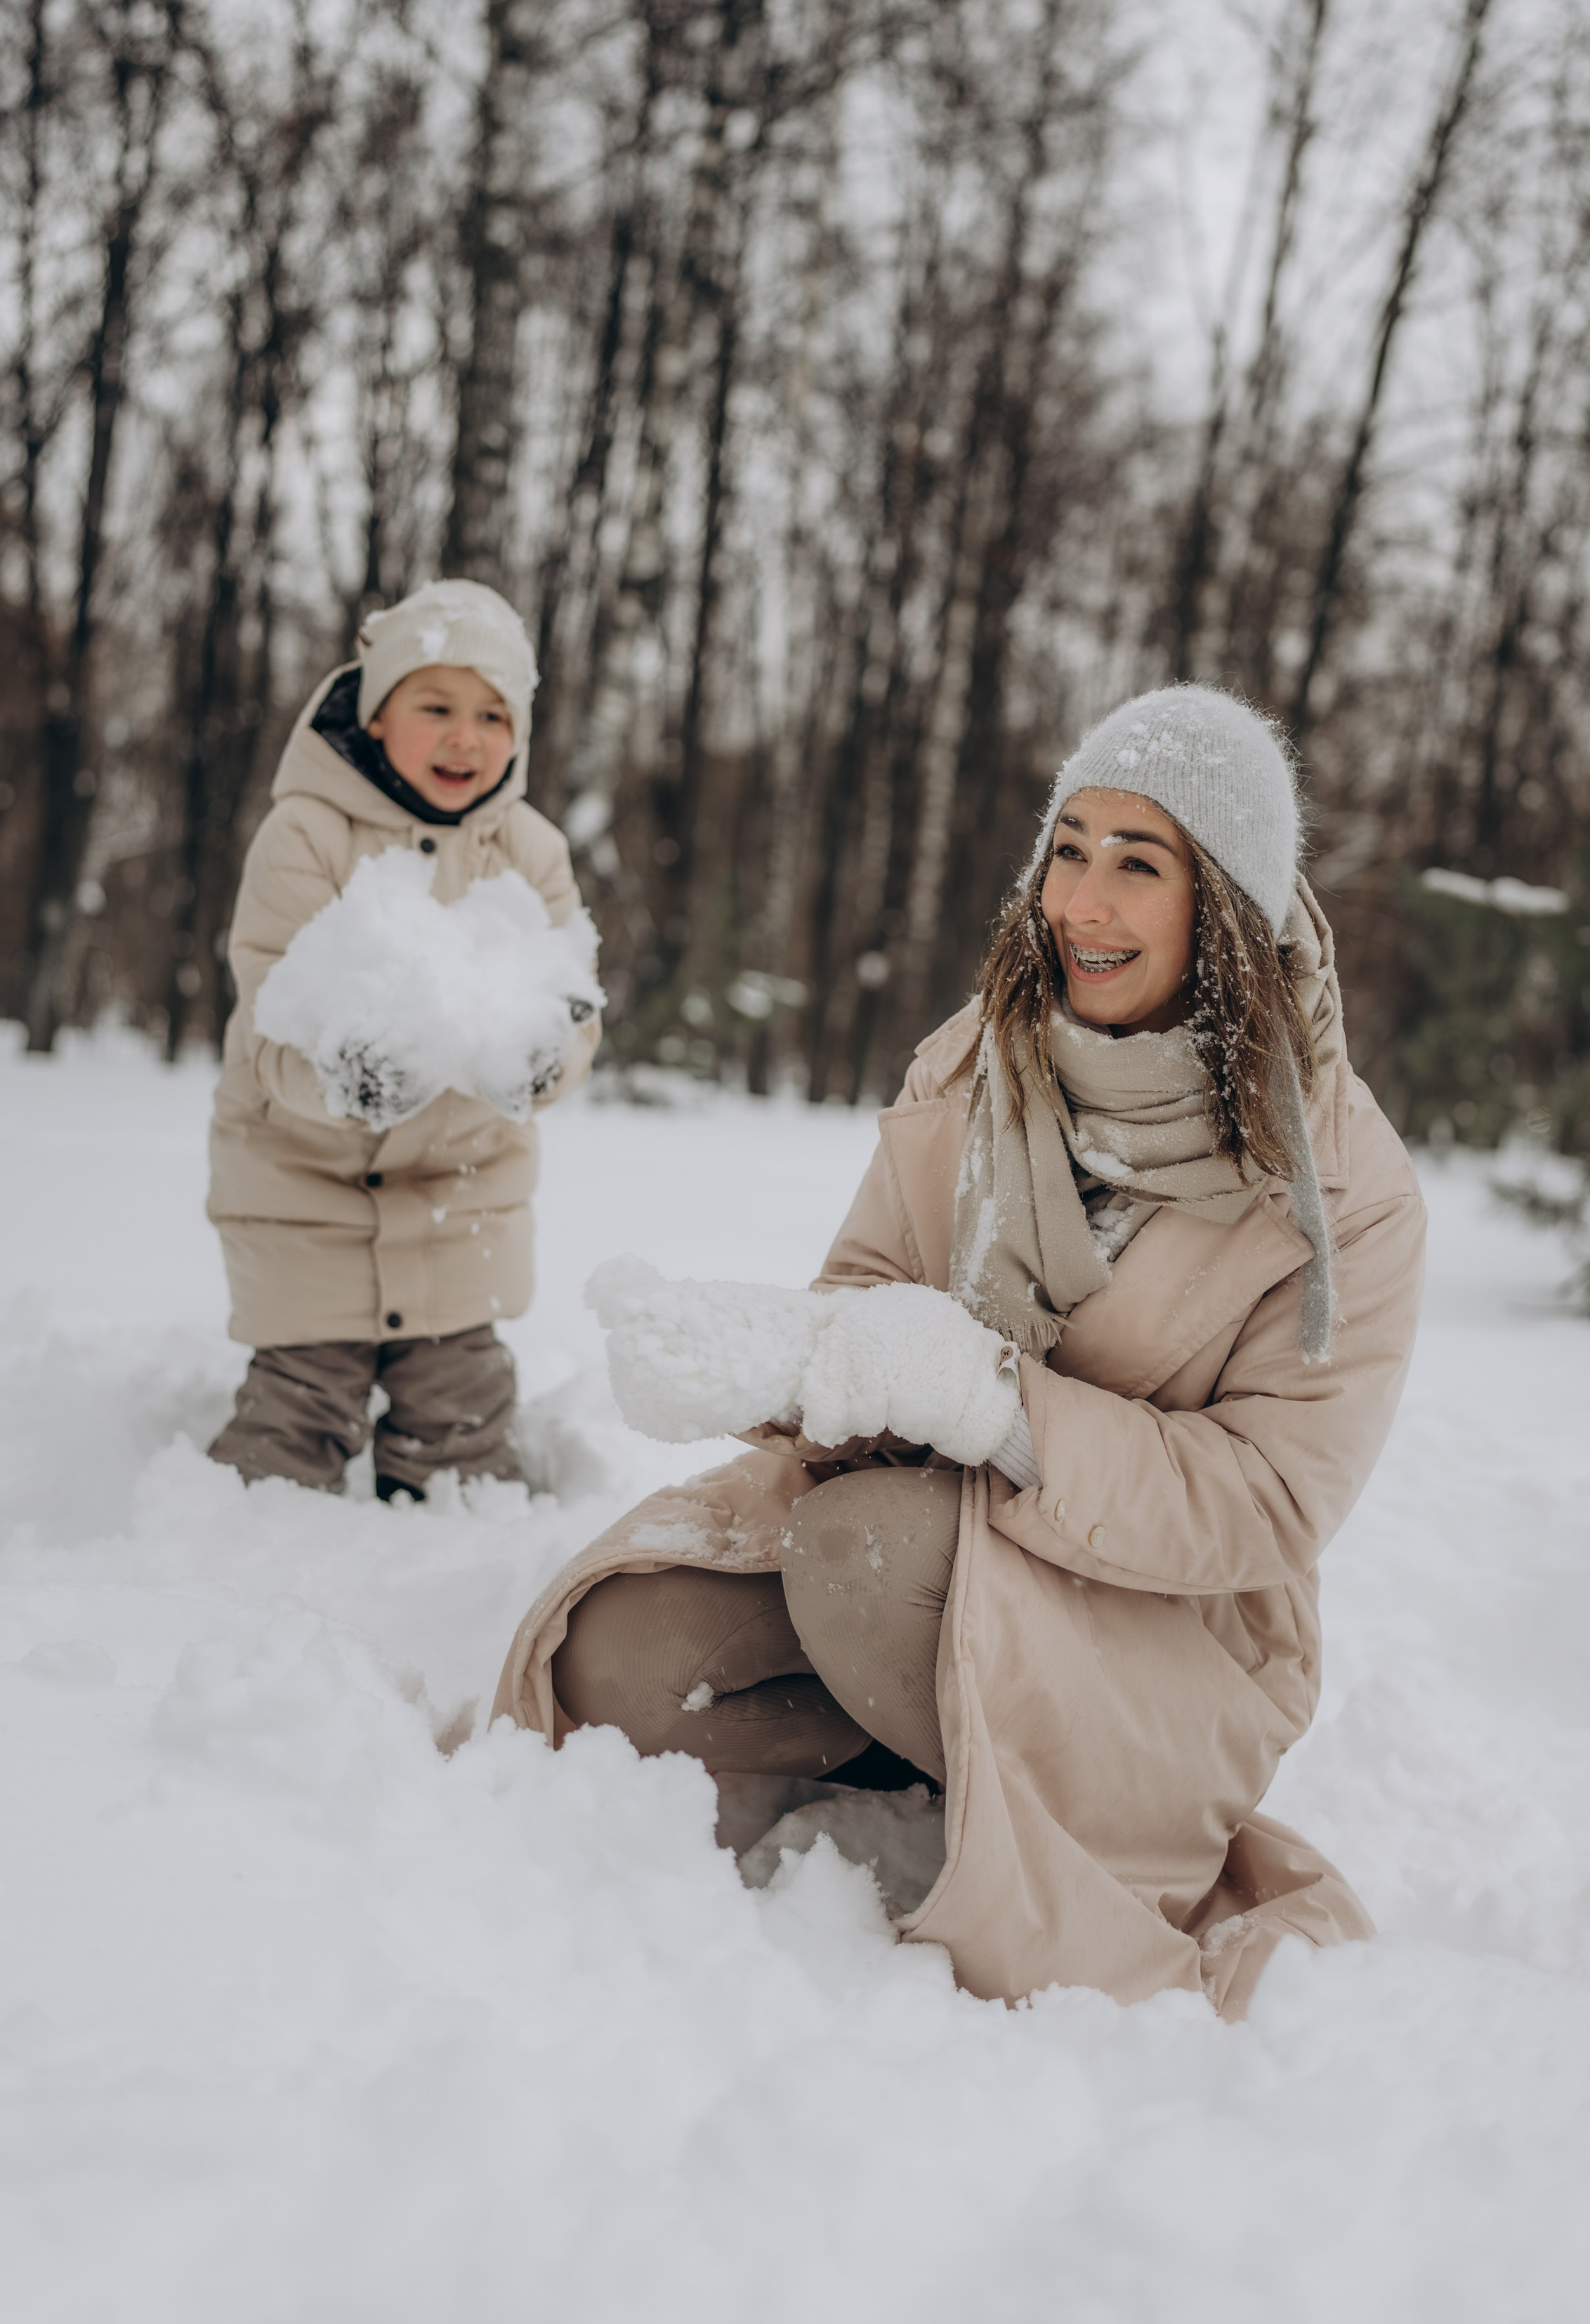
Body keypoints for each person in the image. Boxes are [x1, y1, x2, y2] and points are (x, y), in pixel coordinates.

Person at [491, 685, 1424, 2016]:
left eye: (1138, 864)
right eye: (1069, 849)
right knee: (620, 1662)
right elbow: (869, 1288)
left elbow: (1268, 1503)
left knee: (861, 1554)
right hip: (907, 1537)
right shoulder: (980, 1061)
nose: (1081, 904)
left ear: (1224, 904)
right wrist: (785, 1363)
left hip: (1163, 1630)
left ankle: (1021, 1775)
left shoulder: (1344, 1185)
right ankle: (932, 1755)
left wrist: (995, 1405)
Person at [208, 581, 600, 1499]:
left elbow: (575, 1010)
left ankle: (450, 1564)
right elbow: (269, 1017)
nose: (467, 737)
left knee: (462, 1418)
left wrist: (540, 1061)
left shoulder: (532, 852)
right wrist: (343, 1070)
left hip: (459, 1206)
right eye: (437, 707)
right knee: (295, 1415)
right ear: (377, 717)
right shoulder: (304, 834)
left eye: (494, 715)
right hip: (303, 1192)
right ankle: (241, 1572)